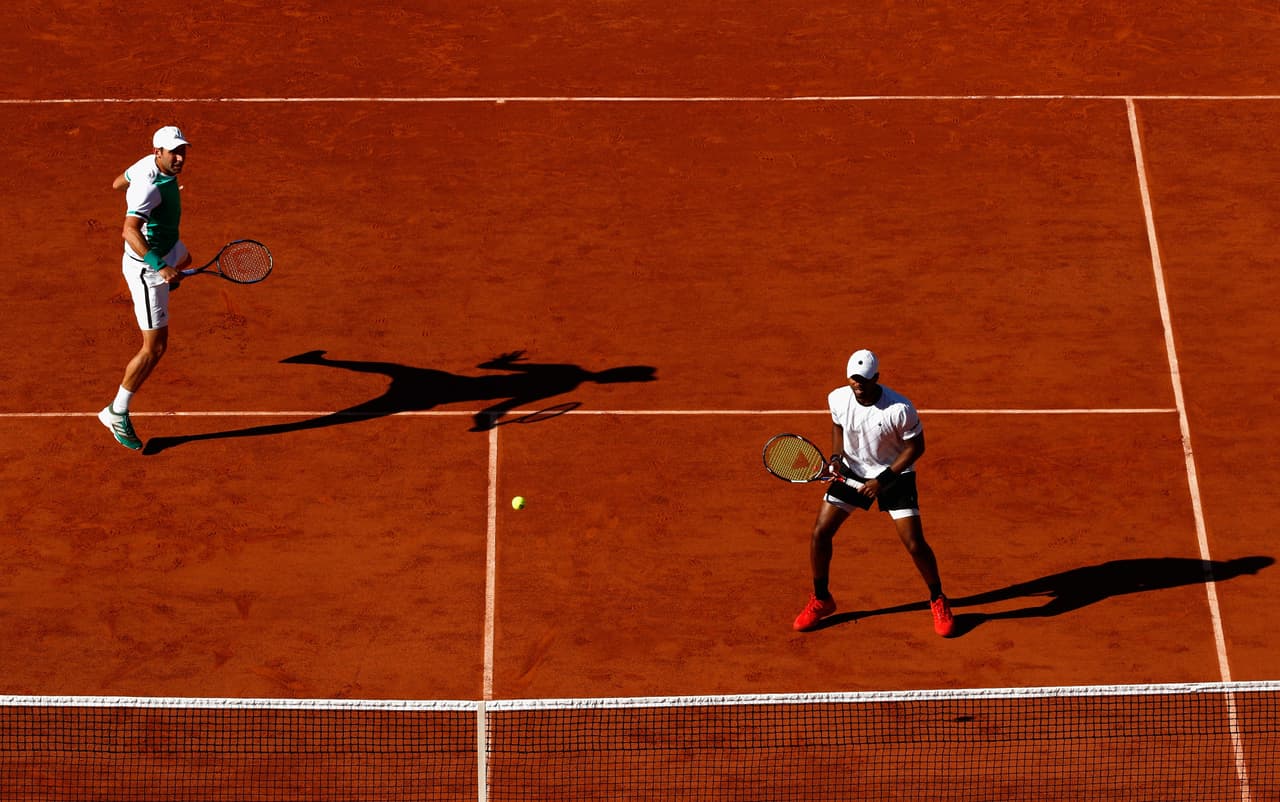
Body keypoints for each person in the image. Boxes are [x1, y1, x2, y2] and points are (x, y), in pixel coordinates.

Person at [792, 349, 955, 637]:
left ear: (876, 378)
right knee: (820, 533)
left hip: (895, 475)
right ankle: (821, 599)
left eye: (863, 380)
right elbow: (838, 425)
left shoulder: (899, 408)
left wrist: (882, 480)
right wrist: (836, 456)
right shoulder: (838, 398)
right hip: (853, 471)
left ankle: (938, 598)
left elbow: (916, 448)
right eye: (853, 379)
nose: (857, 384)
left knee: (914, 543)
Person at [98, 126, 193, 450]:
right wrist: (160, 267)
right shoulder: (150, 186)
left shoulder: (144, 166)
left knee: (186, 258)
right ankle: (116, 411)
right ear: (158, 152)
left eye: (182, 151)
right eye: (173, 153)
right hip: (147, 268)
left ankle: (168, 281)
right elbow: (128, 231)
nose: (180, 158)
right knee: (155, 348)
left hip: (169, 248)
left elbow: (115, 183)